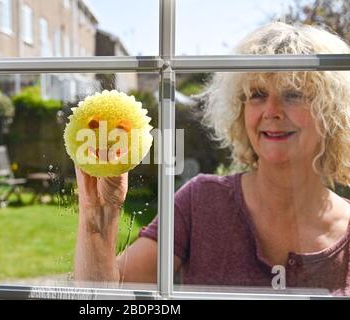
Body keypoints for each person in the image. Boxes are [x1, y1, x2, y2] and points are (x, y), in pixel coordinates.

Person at [73, 21, 350, 296]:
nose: (272, 111)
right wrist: (98, 216)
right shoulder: (201, 201)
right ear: (240, 110)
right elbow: (107, 298)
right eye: (257, 95)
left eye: (293, 94)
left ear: (332, 113)